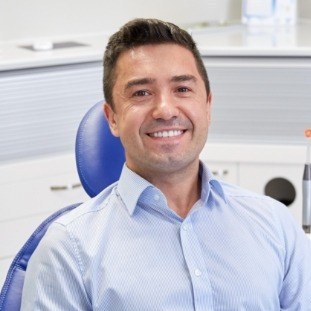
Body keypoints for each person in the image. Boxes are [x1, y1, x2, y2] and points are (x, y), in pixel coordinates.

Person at [21, 18, 311, 310]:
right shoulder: (67, 251)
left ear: (207, 106)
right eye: (141, 93)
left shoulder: (276, 226)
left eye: (182, 89)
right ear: (112, 118)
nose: (165, 109)